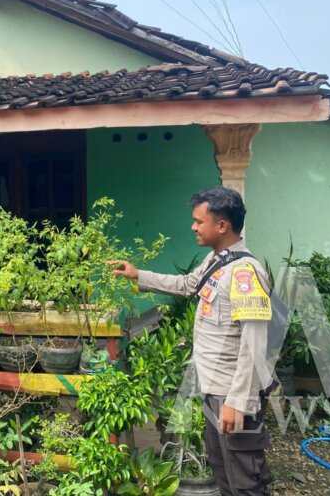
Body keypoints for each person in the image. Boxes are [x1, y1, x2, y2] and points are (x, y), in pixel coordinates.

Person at [111, 187, 274, 496]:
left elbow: (254, 343)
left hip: (232, 395)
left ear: (222, 225)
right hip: (214, 391)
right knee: (224, 474)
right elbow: (188, 285)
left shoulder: (244, 273)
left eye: (199, 221)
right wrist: (138, 275)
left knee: (246, 482)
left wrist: (237, 402)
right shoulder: (218, 260)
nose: (193, 227)